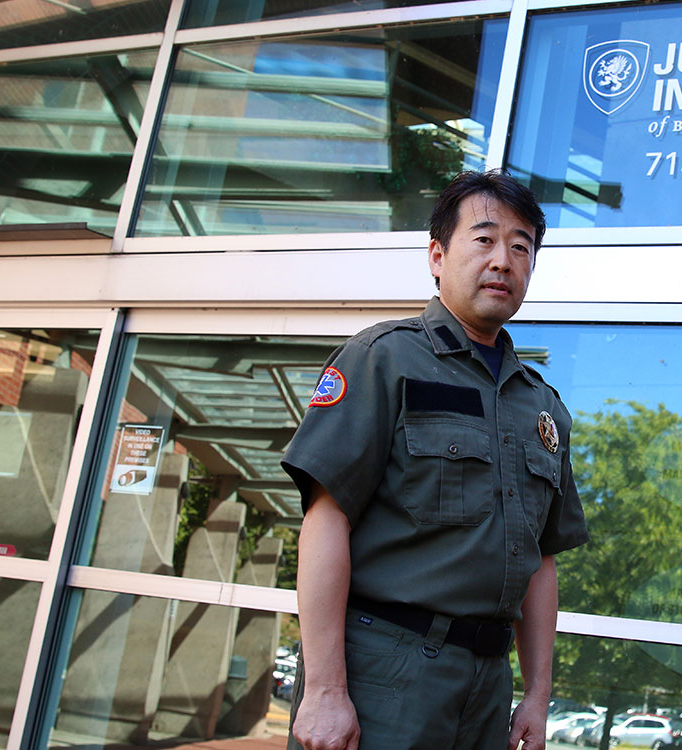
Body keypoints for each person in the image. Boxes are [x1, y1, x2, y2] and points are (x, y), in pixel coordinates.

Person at [281, 170, 589, 750]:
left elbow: (541, 564)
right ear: (437, 256)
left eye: (521, 247)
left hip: (487, 684)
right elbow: (326, 520)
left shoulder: (542, 407)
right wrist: (324, 689)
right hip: (384, 667)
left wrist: (537, 694)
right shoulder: (384, 359)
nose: (503, 260)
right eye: (484, 239)